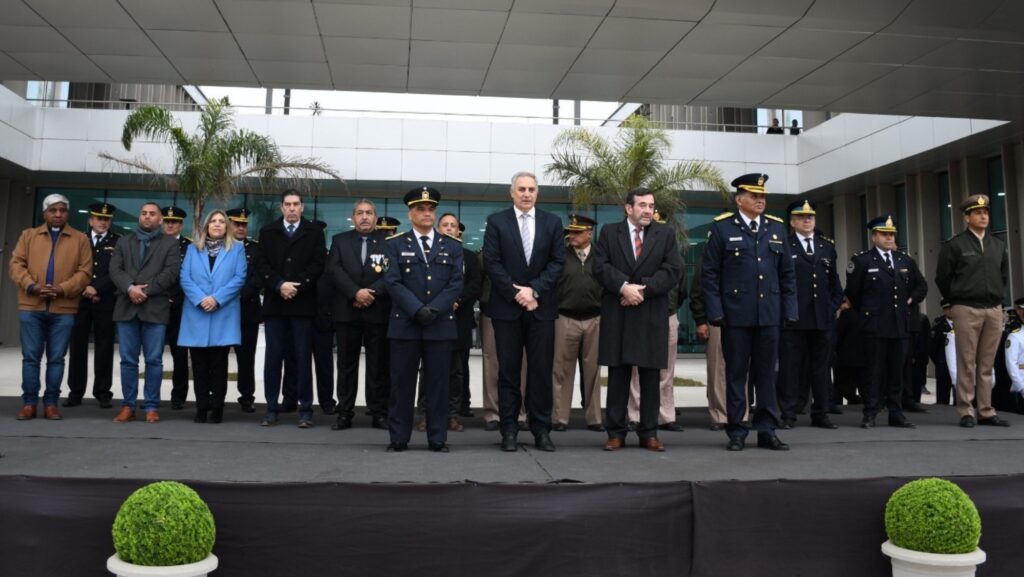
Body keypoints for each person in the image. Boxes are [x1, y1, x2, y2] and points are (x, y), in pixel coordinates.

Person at [701, 173, 796, 451]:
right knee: (736, 375)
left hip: (769, 315)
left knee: (767, 374)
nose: (760, 201)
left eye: (763, 196)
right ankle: (737, 431)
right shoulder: (722, 228)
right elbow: (709, 275)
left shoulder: (776, 228)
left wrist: (789, 310)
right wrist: (715, 311)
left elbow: (787, 275)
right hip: (736, 316)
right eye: (754, 196)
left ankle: (767, 429)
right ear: (739, 199)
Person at [594, 190, 683, 451]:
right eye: (642, 205)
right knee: (618, 375)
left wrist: (641, 289)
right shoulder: (610, 232)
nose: (648, 210)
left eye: (651, 205)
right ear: (628, 208)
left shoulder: (664, 234)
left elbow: (673, 270)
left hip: (650, 312)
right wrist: (623, 287)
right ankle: (616, 433)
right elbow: (600, 266)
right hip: (618, 311)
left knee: (650, 376)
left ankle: (649, 433)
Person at [482, 171, 565, 452]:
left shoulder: (553, 222)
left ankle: (541, 429)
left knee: (541, 372)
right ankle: (509, 430)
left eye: (531, 189)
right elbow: (492, 263)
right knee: (508, 372)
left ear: (537, 193)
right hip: (507, 309)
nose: (527, 194)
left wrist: (534, 291)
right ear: (512, 192)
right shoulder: (496, 222)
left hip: (541, 309)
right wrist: (517, 293)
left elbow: (557, 263)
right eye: (521, 189)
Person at [382, 186, 463, 452]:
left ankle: (437, 438)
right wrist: (417, 309)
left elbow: (455, 283)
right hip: (405, 323)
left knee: (438, 385)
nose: (426, 214)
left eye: (430, 209)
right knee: (401, 384)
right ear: (410, 213)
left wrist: (435, 310)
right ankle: (398, 437)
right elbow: (392, 282)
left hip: (439, 325)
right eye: (421, 209)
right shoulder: (394, 244)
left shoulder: (452, 246)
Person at [10, 193, 92, 421]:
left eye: (62, 210)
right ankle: (28, 403)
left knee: (56, 358)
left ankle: (51, 403)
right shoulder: (29, 236)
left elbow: (85, 271)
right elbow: (16, 265)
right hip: (31, 305)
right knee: (31, 357)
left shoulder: (79, 239)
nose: (58, 214)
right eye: (53, 210)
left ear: (67, 213)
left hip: (63, 308)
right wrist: (32, 286)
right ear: (44, 213)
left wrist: (63, 289)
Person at [935, 194, 1011, 428]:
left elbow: (1003, 276)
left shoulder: (998, 245)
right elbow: (943, 277)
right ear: (967, 217)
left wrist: (996, 297)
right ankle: (966, 410)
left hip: (993, 308)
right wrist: (955, 299)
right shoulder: (955, 245)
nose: (984, 216)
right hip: (966, 308)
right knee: (966, 361)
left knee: (987, 363)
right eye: (978, 213)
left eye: (986, 212)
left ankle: (986, 410)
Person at [844, 215, 927, 429]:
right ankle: (870, 412)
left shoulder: (904, 260)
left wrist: (911, 299)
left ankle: (896, 413)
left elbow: (921, 285)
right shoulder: (862, 260)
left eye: (891, 234)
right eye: (884, 234)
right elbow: (853, 293)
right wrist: (870, 310)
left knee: (897, 371)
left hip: (900, 324)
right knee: (873, 371)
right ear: (874, 237)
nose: (889, 238)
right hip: (874, 325)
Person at [257, 190, 326, 428]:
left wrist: (297, 286)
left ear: (302, 207)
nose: (292, 208)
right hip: (275, 305)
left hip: (302, 304)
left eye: (296, 204)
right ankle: (271, 408)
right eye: (288, 204)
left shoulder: (315, 232)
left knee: (302, 358)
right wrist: (278, 285)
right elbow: (261, 263)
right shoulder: (268, 231)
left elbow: (318, 264)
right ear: (281, 208)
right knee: (273, 358)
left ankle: (305, 409)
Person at [108, 202, 182, 423]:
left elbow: (171, 272)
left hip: (155, 308)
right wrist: (130, 288)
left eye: (152, 214)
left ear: (160, 220)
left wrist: (145, 290)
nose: (147, 217)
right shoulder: (123, 241)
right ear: (139, 217)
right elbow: (115, 269)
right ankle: (128, 406)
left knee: (154, 360)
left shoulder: (169, 244)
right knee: (128, 361)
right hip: (127, 307)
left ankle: (151, 406)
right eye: (143, 213)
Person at [777, 200, 844, 430]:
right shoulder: (784, 245)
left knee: (822, 369)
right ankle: (788, 413)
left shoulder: (826, 247)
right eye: (802, 217)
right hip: (794, 318)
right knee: (790, 368)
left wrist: (833, 306)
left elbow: (834, 283)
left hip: (822, 319)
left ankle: (821, 413)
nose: (807, 220)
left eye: (811, 217)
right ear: (793, 222)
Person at [327, 200, 391, 430]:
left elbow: (391, 274)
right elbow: (334, 270)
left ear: (376, 218)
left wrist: (370, 294)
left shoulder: (388, 242)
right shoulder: (340, 241)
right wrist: (355, 292)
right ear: (353, 217)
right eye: (360, 213)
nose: (364, 217)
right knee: (346, 366)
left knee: (378, 366)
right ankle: (344, 413)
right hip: (347, 311)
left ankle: (378, 413)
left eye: (369, 213)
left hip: (377, 312)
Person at [177, 210, 247, 424]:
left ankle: (217, 408)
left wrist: (216, 298)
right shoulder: (192, 249)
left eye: (221, 222)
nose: (217, 225)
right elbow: (185, 277)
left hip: (223, 313)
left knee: (219, 365)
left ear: (227, 226)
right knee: (198, 366)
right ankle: (201, 407)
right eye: (213, 221)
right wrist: (201, 299)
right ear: (206, 226)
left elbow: (239, 277)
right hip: (196, 313)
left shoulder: (236, 250)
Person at [627, 210, 688, 432]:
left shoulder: (676, 260)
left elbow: (682, 291)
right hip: (639, 314)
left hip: (668, 315)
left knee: (666, 370)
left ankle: (665, 415)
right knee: (636, 369)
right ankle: (635, 415)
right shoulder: (639, 255)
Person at [66, 202, 120, 409]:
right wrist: (84, 288)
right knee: (77, 346)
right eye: (99, 218)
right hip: (79, 301)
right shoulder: (78, 240)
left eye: (106, 219)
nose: (103, 222)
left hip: (105, 301)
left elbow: (117, 270)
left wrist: (97, 289)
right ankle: (76, 392)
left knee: (104, 348)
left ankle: (103, 392)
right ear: (90, 220)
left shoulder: (118, 242)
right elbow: (70, 268)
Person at [551, 214, 603, 432]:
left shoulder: (601, 256)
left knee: (593, 370)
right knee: (561, 370)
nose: (571, 235)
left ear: (589, 233)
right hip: (565, 317)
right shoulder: (560, 255)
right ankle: (559, 418)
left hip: (595, 318)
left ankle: (594, 418)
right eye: (570, 231)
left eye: (577, 232)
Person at [436, 212, 481, 432]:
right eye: (444, 224)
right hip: (433, 319)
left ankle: (453, 414)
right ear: (437, 228)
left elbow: (475, 285)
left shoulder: (469, 257)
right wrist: (442, 302)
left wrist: (457, 300)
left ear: (458, 231)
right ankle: (427, 413)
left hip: (459, 319)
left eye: (452, 225)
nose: (449, 228)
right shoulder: (429, 253)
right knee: (429, 370)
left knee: (456, 371)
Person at [690, 256, 736, 430]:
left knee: (742, 368)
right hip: (717, 317)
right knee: (717, 368)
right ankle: (719, 415)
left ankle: (741, 414)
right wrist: (701, 320)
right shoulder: (710, 254)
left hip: (743, 316)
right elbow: (697, 291)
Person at [225, 208, 261, 412]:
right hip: (221, 311)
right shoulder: (220, 247)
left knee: (246, 358)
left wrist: (238, 295)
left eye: (243, 224)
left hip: (247, 310)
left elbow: (258, 278)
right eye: (236, 224)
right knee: (218, 356)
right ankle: (216, 394)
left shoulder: (256, 249)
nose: (240, 227)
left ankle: (246, 397)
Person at [162, 206, 192, 410]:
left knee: (179, 355)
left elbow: (191, 276)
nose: (170, 224)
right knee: (152, 355)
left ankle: (178, 396)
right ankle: (150, 396)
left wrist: (175, 299)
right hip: (154, 305)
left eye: (174, 222)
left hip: (180, 308)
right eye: (167, 221)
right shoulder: (153, 244)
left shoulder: (190, 247)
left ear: (181, 225)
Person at [929, 301, 956, 406]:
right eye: (948, 309)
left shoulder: (962, 323)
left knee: (959, 395)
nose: (950, 311)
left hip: (958, 365)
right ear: (944, 310)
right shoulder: (938, 324)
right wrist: (939, 362)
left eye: (952, 308)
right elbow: (932, 347)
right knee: (942, 397)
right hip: (943, 364)